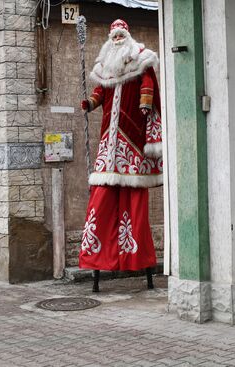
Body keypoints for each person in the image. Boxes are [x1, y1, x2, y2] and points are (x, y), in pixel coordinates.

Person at [79, 19, 163, 292]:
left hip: (131, 137)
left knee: (134, 202)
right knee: (102, 197)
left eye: (119, 34)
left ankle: (138, 259)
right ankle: (98, 257)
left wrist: (145, 102)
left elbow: (148, 82)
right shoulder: (106, 66)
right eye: (113, 35)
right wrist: (90, 103)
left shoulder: (139, 57)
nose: (116, 38)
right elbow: (100, 91)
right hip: (109, 141)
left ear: (126, 35)